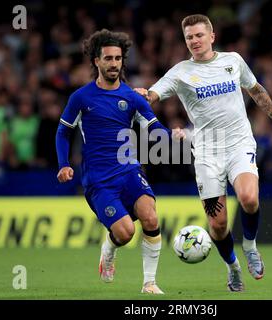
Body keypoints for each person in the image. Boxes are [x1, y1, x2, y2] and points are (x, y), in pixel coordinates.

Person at [135, 14, 272, 292]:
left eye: (199, 35)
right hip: (207, 153)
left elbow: (256, 91)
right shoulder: (180, 72)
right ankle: (233, 268)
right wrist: (144, 95)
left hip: (239, 144)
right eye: (189, 37)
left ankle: (250, 246)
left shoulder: (232, 61)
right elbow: (154, 94)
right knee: (218, 225)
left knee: (248, 197)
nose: (194, 41)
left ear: (212, 36)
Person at [55, 29, 184, 294]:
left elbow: (154, 128)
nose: (114, 63)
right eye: (108, 59)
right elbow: (63, 131)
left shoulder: (132, 98)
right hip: (99, 180)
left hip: (128, 169)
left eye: (118, 58)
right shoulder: (81, 97)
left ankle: (149, 283)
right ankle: (110, 249)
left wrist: (173, 135)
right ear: (97, 62)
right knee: (125, 233)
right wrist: (63, 163)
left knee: (150, 216)